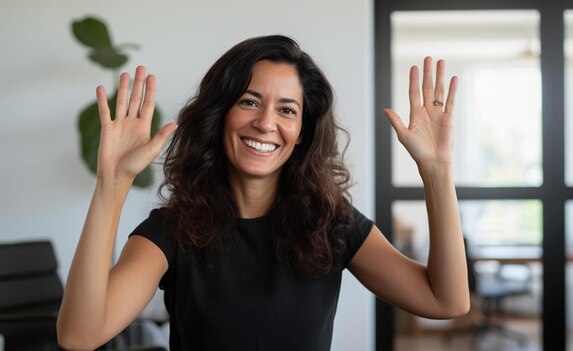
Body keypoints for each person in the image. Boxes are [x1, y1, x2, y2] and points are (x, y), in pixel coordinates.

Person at [57, 35, 469, 350]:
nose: (266, 123)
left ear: (301, 133)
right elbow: (79, 335)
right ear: (220, 115)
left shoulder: (330, 224)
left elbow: (445, 301)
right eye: (250, 102)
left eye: (287, 109)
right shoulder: (172, 231)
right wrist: (112, 185)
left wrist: (437, 171)